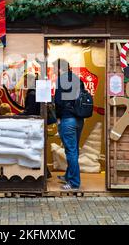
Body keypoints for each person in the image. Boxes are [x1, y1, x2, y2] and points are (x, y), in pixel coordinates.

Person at [53, 59, 85, 191]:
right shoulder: (78, 79)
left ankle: (74, 183)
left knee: (70, 151)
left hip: (67, 119)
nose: (54, 71)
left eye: (55, 69)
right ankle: (68, 175)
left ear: (60, 69)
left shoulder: (61, 80)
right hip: (79, 120)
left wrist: (58, 117)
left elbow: (59, 102)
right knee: (74, 149)